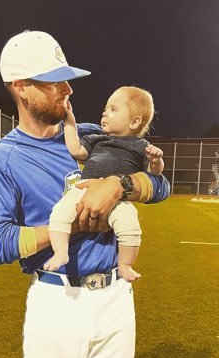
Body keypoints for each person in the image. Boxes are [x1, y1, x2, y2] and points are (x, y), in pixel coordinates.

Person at [0, 30, 170, 358]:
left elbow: (162, 188)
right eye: (54, 82)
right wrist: (72, 224)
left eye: (66, 79)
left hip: (116, 296)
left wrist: (121, 185)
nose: (68, 89)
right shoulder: (2, 158)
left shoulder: (93, 135)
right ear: (21, 87)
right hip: (58, 303)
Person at [44, 87, 164, 282]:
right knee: (59, 213)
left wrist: (156, 160)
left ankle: (125, 265)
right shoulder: (97, 138)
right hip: (84, 189)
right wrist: (69, 122)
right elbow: (76, 150)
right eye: (105, 109)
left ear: (134, 122)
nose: (105, 112)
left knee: (130, 226)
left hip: (118, 199)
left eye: (113, 109)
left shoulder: (142, 146)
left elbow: (153, 175)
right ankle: (60, 253)